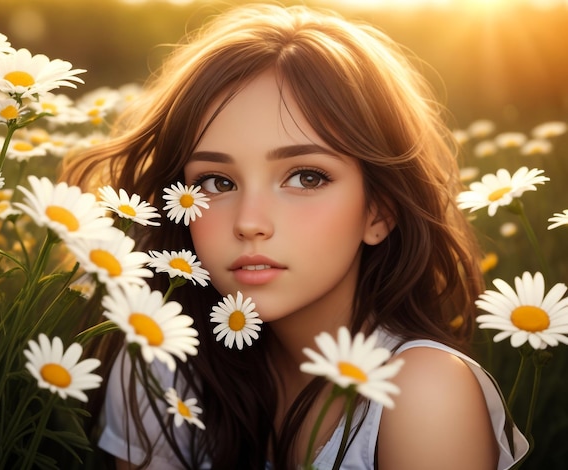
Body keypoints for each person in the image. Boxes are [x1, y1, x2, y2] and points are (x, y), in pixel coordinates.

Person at [65, 3, 528, 469]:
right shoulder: (164, 363)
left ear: (379, 210)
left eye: (306, 177)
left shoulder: (424, 396)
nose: (250, 222)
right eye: (216, 182)